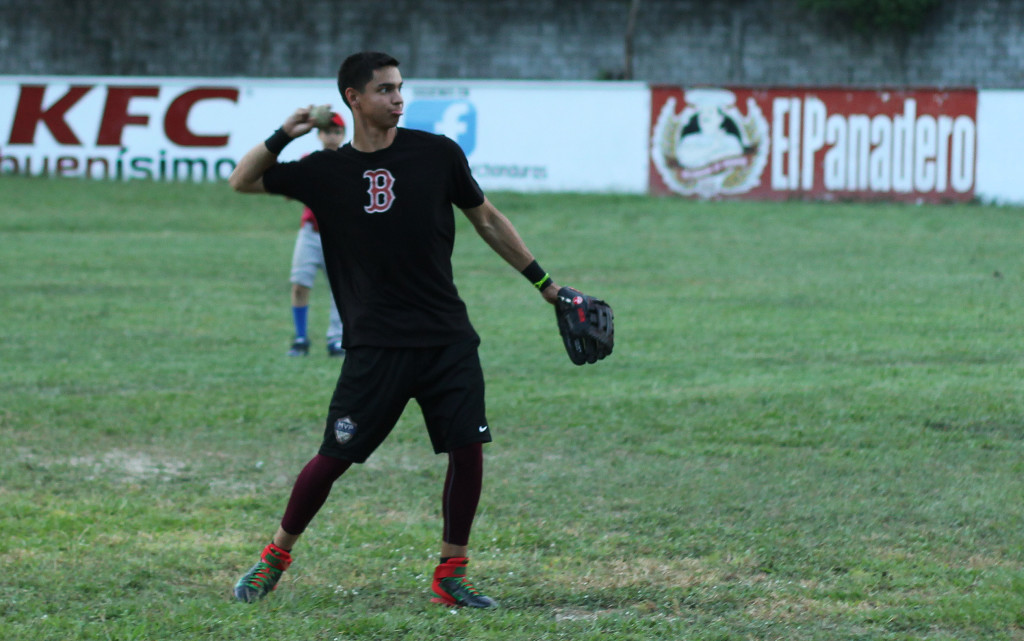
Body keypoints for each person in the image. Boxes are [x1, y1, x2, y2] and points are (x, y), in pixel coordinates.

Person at [227, 51, 565, 609]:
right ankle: (273, 559)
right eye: (384, 89)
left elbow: (487, 219)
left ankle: (449, 574)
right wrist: (284, 133)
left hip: (447, 337)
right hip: (377, 344)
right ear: (353, 98)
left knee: (468, 449)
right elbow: (242, 180)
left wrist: (547, 285)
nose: (398, 98)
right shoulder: (323, 171)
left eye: (400, 87)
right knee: (333, 458)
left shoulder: (437, 154)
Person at [287, 112, 346, 357]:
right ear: (319, 134)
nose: (331, 136)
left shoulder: (350, 163)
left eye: (336, 132)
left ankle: (337, 339)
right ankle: (301, 338)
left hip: (340, 236)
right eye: (327, 131)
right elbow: (290, 190)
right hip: (311, 232)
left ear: (343, 135)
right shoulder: (308, 161)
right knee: (300, 284)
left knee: (341, 290)